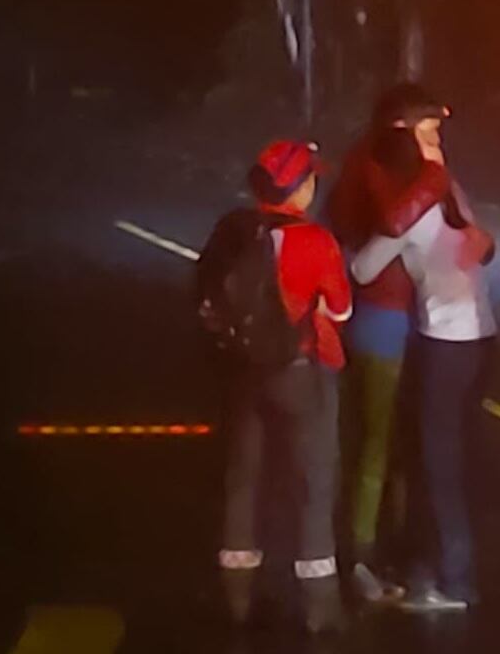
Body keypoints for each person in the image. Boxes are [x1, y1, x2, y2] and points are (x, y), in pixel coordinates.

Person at [197, 139, 353, 633]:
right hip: (300, 372)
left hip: (244, 371)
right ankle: (319, 604)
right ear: (300, 188)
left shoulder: (234, 231)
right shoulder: (315, 240)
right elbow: (341, 309)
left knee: (243, 478)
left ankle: (236, 596)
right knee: (313, 481)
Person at [351, 127, 496, 613]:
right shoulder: (455, 199)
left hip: (446, 343)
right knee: (452, 461)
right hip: (481, 340)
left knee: (436, 465)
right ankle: (445, 570)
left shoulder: (409, 216)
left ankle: (453, 583)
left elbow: (362, 269)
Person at [326, 84, 455, 602]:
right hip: (384, 320)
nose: (438, 142)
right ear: (401, 128)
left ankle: (387, 549)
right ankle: (362, 554)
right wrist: (434, 177)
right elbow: (392, 224)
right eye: (430, 130)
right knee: (377, 446)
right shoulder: (388, 171)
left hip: (400, 319)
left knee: (392, 446)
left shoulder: (379, 163)